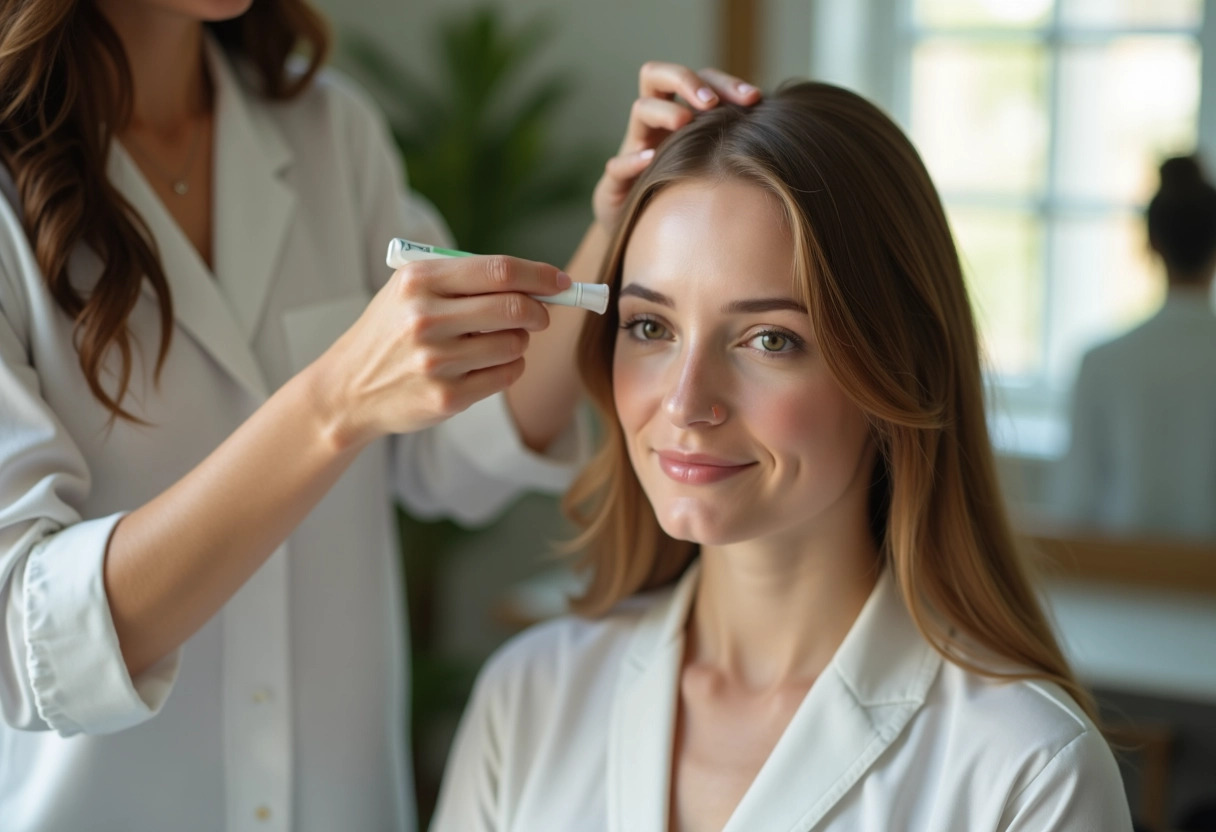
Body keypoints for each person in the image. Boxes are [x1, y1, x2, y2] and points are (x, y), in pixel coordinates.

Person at [0, 0, 762, 828]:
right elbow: (26, 638)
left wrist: (613, 225)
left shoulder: (328, 133)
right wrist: (331, 407)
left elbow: (462, 443)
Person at [430, 81, 1133, 831]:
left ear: (895, 370)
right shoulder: (530, 699)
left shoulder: (1027, 772)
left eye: (771, 339)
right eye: (650, 328)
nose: (685, 402)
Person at [1055, 155, 1216, 540]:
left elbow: (1075, 507)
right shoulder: (1102, 363)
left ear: (1152, 242)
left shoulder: (1102, 363)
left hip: (1123, 589)